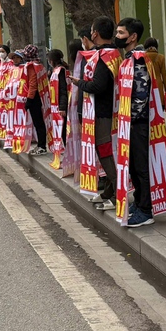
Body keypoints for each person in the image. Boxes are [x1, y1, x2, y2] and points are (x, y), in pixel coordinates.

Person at [70, 16, 119, 210]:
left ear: (95, 34)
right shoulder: (115, 54)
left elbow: (98, 85)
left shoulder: (102, 57)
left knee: (105, 153)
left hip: (102, 113)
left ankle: (116, 195)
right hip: (110, 111)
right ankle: (108, 191)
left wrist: (78, 83)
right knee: (106, 152)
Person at [116, 18, 157, 227]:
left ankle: (145, 210)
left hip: (137, 122)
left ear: (132, 37)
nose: (117, 36)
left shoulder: (139, 60)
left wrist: (130, 120)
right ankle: (139, 203)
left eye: (121, 33)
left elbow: (141, 94)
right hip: (128, 122)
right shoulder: (129, 58)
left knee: (140, 166)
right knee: (132, 165)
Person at [143, 37, 166, 114]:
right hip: (158, 89)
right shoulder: (161, 57)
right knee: (159, 113)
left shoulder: (143, 57)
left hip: (146, 86)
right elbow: (164, 75)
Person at [47, 48, 69, 146]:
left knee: (63, 129)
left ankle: (67, 150)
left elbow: (63, 90)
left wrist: (62, 107)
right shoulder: (55, 71)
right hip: (56, 106)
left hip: (60, 106)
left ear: (51, 60)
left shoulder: (60, 71)